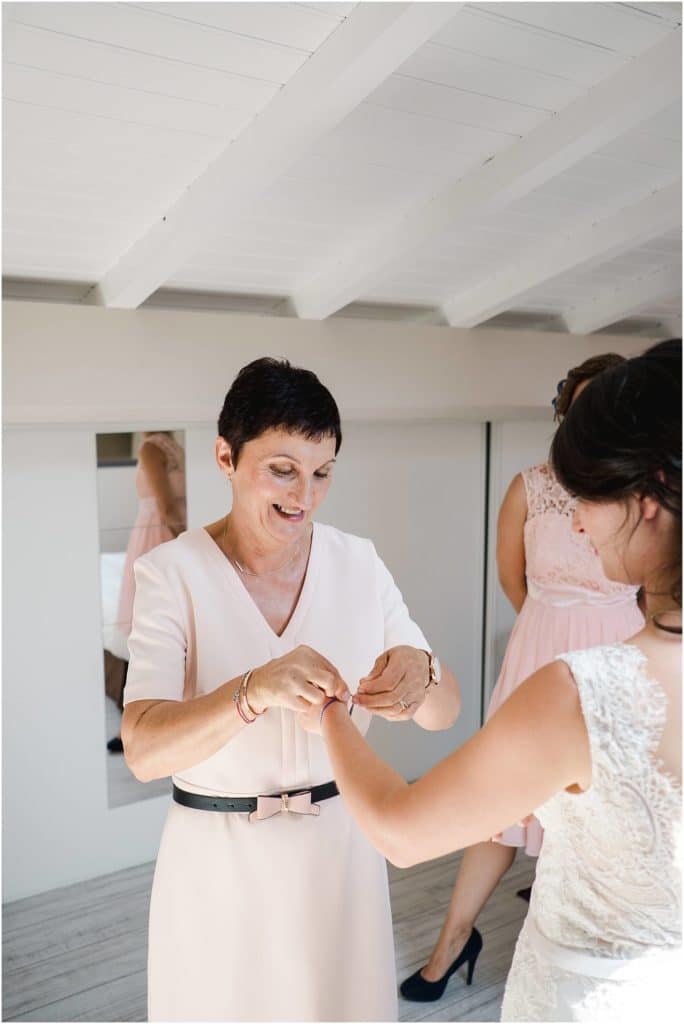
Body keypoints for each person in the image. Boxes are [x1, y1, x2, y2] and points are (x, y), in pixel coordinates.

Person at [304, 339, 681, 1022]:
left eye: (590, 495)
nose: (574, 518)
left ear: (648, 493)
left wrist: (328, 708)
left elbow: (401, 831)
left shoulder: (584, 696)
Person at [121, 358, 461, 1022]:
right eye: (282, 469)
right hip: (217, 861)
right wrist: (251, 690)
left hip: (341, 854)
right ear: (226, 456)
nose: (303, 494)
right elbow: (142, 751)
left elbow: (443, 715)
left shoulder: (358, 562)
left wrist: (425, 672)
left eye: (322, 472)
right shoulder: (172, 574)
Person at [400, 353, 644, 1001]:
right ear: (566, 415)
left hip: (619, 656)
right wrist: (550, 636)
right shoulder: (529, 487)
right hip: (540, 651)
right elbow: (514, 580)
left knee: (598, 816)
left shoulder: (641, 494)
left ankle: (576, 949)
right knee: (497, 810)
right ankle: (452, 942)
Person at [107, 431, 186, 753]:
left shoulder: (158, 447)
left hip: (162, 532)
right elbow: (168, 504)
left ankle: (151, 722)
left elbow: (167, 504)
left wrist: (187, 540)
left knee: (155, 627)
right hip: (162, 532)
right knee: (152, 625)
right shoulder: (169, 448)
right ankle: (142, 722)